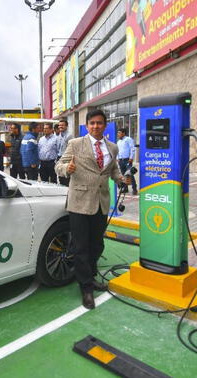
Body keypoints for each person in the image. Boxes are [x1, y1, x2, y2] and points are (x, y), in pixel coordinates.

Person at [55, 110, 127, 309]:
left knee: (97, 245)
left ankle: (91, 276)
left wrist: (121, 178)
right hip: (79, 202)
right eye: (92, 123)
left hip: (101, 202)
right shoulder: (75, 144)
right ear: (87, 126)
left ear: (105, 125)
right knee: (81, 247)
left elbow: (113, 170)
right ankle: (86, 288)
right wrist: (66, 170)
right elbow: (59, 165)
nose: (96, 126)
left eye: (100, 123)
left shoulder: (112, 147)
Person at [116, 128, 138, 195]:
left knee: (130, 174)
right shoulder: (118, 142)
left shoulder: (128, 139)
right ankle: (125, 189)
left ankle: (134, 189)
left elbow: (132, 149)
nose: (118, 134)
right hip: (121, 160)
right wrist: (118, 158)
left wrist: (131, 158)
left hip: (127, 160)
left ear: (123, 133)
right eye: (118, 133)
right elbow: (117, 151)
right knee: (123, 175)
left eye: (119, 133)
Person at [57, 119, 73, 186]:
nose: (60, 126)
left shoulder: (69, 136)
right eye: (59, 125)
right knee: (60, 177)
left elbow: (71, 149)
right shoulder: (59, 136)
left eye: (62, 125)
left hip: (66, 159)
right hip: (59, 158)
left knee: (66, 179)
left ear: (67, 126)